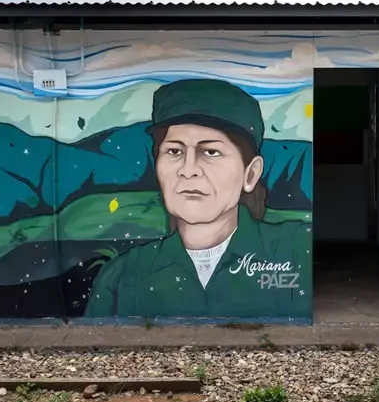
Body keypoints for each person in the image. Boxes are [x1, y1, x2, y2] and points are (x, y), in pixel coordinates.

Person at [84, 78, 311, 319]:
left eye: (210, 152)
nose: (188, 169)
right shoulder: (122, 277)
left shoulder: (297, 249)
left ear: (251, 173)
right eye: (174, 151)